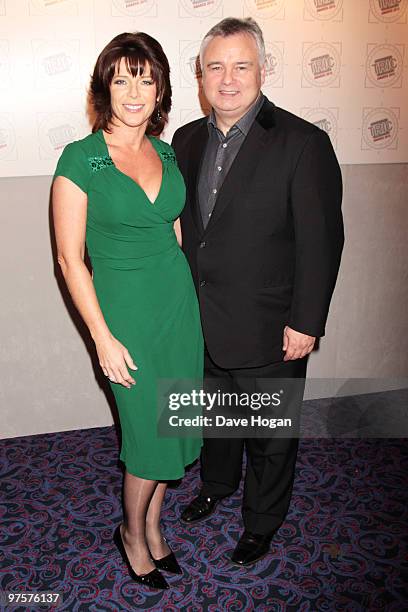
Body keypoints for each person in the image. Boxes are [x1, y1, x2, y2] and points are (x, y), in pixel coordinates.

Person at [171, 17, 344, 567]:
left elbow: (322, 240)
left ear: (262, 70)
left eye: (241, 65)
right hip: (204, 317)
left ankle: (262, 521)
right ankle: (216, 486)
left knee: (270, 434)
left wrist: (306, 320)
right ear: (200, 75)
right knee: (218, 418)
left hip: (273, 323)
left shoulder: (303, 142)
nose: (228, 79)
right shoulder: (186, 139)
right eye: (215, 66)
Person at [52, 32, 203, 589]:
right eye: (122, 78)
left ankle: (156, 529)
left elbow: (175, 231)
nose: (134, 91)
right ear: (105, 87)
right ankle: (131, 534)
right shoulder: (81, 158)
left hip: (176, 309)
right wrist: (102, 337)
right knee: (148, 438)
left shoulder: (163, 150)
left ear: (160, 86)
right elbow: (70, 261)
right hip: (125, 320)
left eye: (146, 77)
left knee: (177, 425)